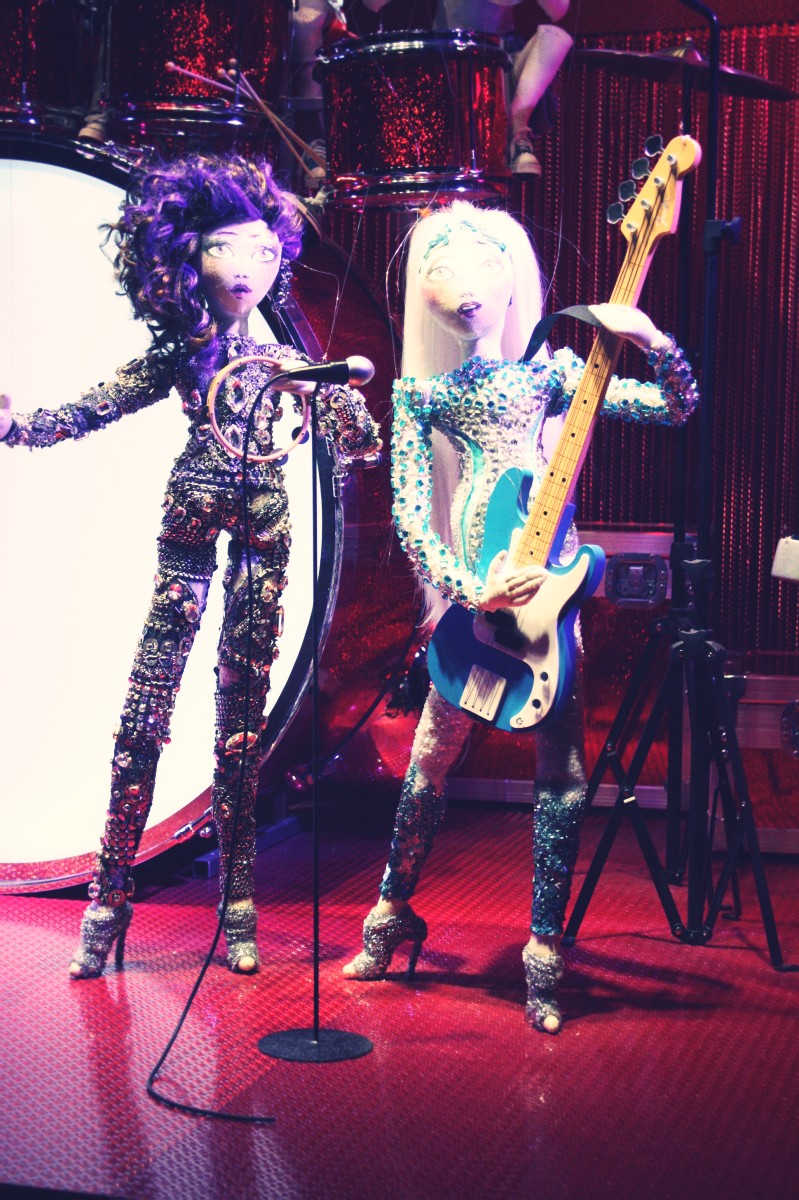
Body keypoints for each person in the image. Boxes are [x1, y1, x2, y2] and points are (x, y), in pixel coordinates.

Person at [0, 154, 380, 978]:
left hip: (266, 530)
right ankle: (106, 904)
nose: (246, 267)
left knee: (241, 724)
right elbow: (93, 406)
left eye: (263, 252)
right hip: (191, 516)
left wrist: (334, 394)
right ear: (186, 256)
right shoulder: (185, 353)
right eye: (224, 249)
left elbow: (358, 445)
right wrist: (17, 425)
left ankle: (237, 907)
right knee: (146, 710)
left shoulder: (283, 363)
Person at [342, 200, 698, 1033]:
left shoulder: (553, 374)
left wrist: (651, 338)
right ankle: (391, 911)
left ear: (514, 277)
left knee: (560, 772)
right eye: (439, 272)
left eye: (480, 267)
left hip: (549, 600)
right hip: (478, 598)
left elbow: (675, 407)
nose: (462, 289)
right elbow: (408, 514)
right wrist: (465, 588)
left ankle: (544, 947)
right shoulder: (422, 392)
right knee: (429, 757)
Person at [361, 0, 573, 175]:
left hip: (500, 63)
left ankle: (518, 133)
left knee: (554, 38)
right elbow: (372, 4)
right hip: (448, 64)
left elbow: (559, 10)